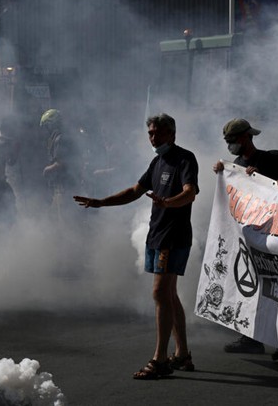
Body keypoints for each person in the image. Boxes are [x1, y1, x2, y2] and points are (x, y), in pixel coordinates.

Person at [73, 113, 199, 380]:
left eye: (157, 132)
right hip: (156, 235)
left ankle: (160, 360)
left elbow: (190, 193)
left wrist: (168, 202)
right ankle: (183, 353)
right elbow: (134, 191)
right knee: (169, 294)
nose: (152, 137)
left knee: (159, 293)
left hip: (172, 237)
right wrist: (101, 202)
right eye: (150, 133)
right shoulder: (157, 162)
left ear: (171, 133)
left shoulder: (184, 159)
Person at [215, 118, 278, 355]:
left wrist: (262, 179)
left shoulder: (273, 159)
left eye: (233, 140)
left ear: (246, 137)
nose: (231, 145)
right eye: (228, 141)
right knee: (250, 286)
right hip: (251, 234)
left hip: (274, 233)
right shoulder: (237, 164)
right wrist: (224, 173)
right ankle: (251, 337)